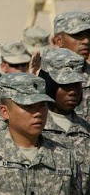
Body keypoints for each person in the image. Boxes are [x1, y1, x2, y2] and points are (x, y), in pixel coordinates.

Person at [39, 47, 90, 193]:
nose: (73, 91)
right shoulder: (33, 128)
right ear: (48, 85)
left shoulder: (86, 130)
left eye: (77, 84)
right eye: (65, 85)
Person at [52, 11, 90, 123]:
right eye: (77, 35)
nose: (86, 41)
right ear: (58, 40)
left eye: (89, 35)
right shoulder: (46, 78)